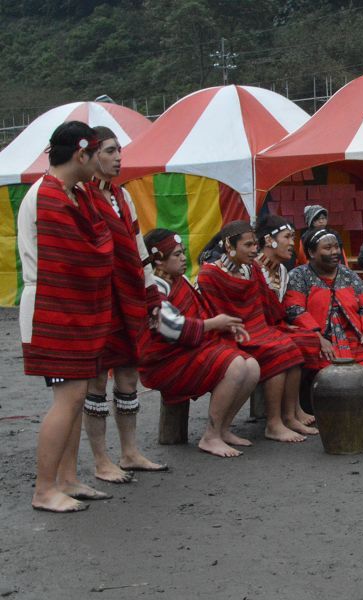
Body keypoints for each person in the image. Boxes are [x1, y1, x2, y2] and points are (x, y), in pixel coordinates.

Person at [18, 121, 112, 512]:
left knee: (76, 396)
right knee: (69, 397)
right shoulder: (49, 196)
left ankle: (69, 479)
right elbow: (80, 256)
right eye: (98, 155)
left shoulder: (74, 193)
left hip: (70, 305)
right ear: (81, 154)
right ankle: (44, 489)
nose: (103, 164)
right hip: (50, 308)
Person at [82, 126, 167, 483]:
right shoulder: (81, 195)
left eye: (120, 151)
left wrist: (151, 295)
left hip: (129, 296)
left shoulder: (123, 196)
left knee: (129, 373)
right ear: (91, 155)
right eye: (111, 151)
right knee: (97, 378)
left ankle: (130, 452)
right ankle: (102, 460)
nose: (119, 158)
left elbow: (138, 248)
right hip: (98, 299)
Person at [139, 229, 260, 457]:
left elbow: (200, 313)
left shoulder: (179, 279)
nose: (184, 258)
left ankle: (223, 429)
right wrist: (214, 324)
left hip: (189, 349)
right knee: (233, 365)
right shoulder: (154, 288)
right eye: (176, 254)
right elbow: (171, 327)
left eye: (183, 252)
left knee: (252, 366)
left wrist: (224, 325)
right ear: (159, 261)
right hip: (165, 360)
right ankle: (210, 437)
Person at [197, 221, 308, 443]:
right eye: (247, 245)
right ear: (229, 245)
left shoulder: (251, 269)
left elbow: (266, 303)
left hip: (257, 328)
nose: (253, 250)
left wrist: (283, 324)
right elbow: (208, 313)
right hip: (229, 333)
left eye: (254, 245)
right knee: (278, 350)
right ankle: (273, 423)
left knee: (294, 347)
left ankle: (289, 416)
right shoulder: (209, 274)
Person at [283, 228, 363, 382]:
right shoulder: (298, 276)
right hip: (320, 337)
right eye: (327, 248)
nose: (335, 252)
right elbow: (295, 309)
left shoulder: (349, 275)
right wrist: (318, 338)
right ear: (311, 252)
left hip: (353, 336)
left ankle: (362, 402)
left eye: (336, 247)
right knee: (323, 372)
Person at [254, 214, 318, 434]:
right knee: (286, 347)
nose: (292, 243)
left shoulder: (282, 271)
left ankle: (293, 411)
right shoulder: (253, 269)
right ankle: (277, 420)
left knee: (308, 339)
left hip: (272, 327)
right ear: (269, 240)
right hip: (255, 330)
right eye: (287, 237)